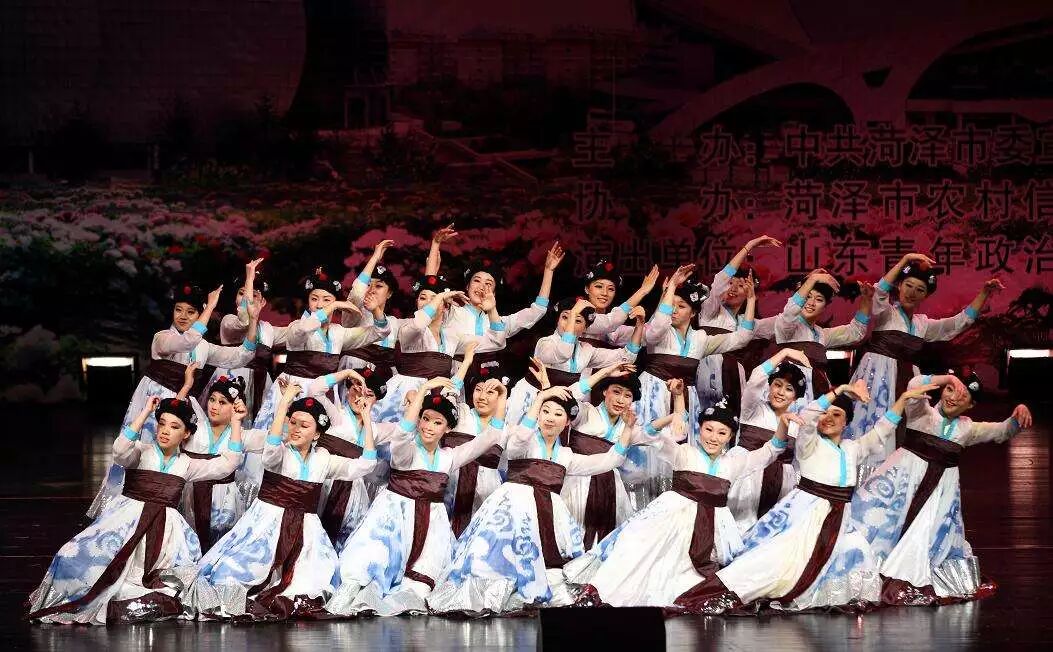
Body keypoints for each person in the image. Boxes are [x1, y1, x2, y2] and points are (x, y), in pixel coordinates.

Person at [675, 381, 936, 613]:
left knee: (857, 551)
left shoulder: (853, 448)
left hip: (840, 519)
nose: (829, 418)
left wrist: (903, 400)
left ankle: (830, 593)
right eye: (826, 413)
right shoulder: (809, 443)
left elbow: (882, 430)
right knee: (777, 565)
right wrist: (840, 390)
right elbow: (810, 414)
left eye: (837, 414)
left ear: (846, 422)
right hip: (808, 514)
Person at [566, 386, 789, 609]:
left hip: (712, 527)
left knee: (702, 575)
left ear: (730, 437)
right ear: (700, 429)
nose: (713, 437)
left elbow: (770, 451)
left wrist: (783, 425)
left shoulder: (735, 462)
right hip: (672, 519)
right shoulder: (683, 453)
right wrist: (667, 416)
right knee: (637, 549)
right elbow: (655, 438)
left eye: (722, 433)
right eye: (708, 429)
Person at [28, 396, 244, 625]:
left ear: (186, 434)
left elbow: (228, 464)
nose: (165, 431)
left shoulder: (187, 463)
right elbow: (120, 451)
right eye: (161, 423)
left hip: (165, 533)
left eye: (174, 427)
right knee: (69, 556)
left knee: (165, 582)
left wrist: (236, 422)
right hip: (126, 521)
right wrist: (144, 413)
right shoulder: (141, 452)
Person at [426, 385, 634, 616]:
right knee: (496, 563)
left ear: (567, 422)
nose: (550, 418)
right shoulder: (524, 442)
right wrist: (540, 397)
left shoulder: (565, 456)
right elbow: (518, 440)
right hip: (513, 509)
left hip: (547, 515)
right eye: (545, 411)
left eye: (558, 414)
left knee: (552, 573)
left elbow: (609, 461)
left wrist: (628, 429)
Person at [185, 383, 378, 620]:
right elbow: (270, 452)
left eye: (304, 425)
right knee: (236, 575)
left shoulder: (323, 459)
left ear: (317, 434)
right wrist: (284, 404)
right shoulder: (280, 452)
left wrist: (367, 418)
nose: (295, 429)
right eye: (292, 422)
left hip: (306, 530)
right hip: (266, 524)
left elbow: (366, 464)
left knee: (314, 582)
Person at [325, 378, 506, 617]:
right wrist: (424, 390)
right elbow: (402, 434)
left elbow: (490, 436)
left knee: (421, 584)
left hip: (431, 530)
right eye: (425, 419)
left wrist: (502, 396)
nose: (429, 426)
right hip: (392, 525)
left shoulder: (448, 458)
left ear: (447, 429)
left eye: (437, 422)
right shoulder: (406, 452)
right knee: (367, 571)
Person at [852, 370, 1033, 605]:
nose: (953, 397)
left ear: (970, 405)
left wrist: (1018, 415)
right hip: (904, 485)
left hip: (938, 497)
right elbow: (914, 384)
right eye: (949, 390)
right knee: (879, 528)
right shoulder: (922, 413)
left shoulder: (968, 429)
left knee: (930, 540)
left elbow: (1002, 431)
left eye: (963, 396)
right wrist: (945, 378)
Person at [87, 283, 261, 519]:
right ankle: (130, 510)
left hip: (184, 401)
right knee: (144, 454)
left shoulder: (203, 347)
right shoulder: (162, 338)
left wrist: (253, 321)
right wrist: (209, 307)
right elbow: (186, 341)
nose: (183, 316)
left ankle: (177, 509)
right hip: (155, 400)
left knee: (185, 454)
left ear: (198, 313)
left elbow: (241, 356)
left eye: (190, 312)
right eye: (178, 310)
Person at [842, 252, 1003, 462]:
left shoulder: (922, 324)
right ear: (899, 285)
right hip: (877, 376)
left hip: (908, 379)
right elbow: (879, 292)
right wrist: (904, 260)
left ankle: (894, 471)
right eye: (908, 285)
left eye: (920, 290)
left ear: (926, 295)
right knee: (873, 423)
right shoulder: (886, 313)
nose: (912, 293)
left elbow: (956, 324)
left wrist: (984, 294)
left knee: (905, 426)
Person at [725, 348, 811, 531]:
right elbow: (756, 378)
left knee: (770, 534)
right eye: (777, 385)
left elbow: (799, 462)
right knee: (740, 529)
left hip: (781, 483)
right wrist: (785, 352)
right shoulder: (752, 409)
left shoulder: (797, 423)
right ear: (769, 386)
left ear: (795, 397)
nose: (781, 392)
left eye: (789, 389)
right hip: (748, 478)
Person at [695, 235, 782, 412]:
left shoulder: (747, 323)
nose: (733, 289)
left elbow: (784, 321)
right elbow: (720, 281)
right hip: (705, 373)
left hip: (733, 377)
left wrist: (807, 288)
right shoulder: (711, 309)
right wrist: (749, 245)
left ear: (751, 292)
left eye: (741, 285)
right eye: (730, 283)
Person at [773, 269, 874, 400]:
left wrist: (866, 300)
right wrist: (812, 279)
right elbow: (790, 312)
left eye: (819, 299)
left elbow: (855, 332)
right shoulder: (786, 326)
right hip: (790, 393)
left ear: (825, 307)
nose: (811, 303)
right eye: (808, 297)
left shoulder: (821, 334)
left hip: (817, 392)